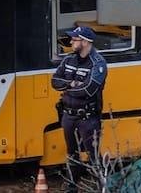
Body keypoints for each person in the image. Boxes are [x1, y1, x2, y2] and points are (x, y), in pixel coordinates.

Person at [51, 25, 108, 191]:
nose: (71, 42)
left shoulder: (98, 63)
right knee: (72, 153)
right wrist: (72, 84)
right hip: (68, 115)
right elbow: (54, 81)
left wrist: (67, 88)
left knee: (93, 155)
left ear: (85, 42)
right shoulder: (68, 60)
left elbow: (88, 90)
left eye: (74, 39)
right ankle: (72, 187)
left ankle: (101, 188)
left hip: (88, 118)